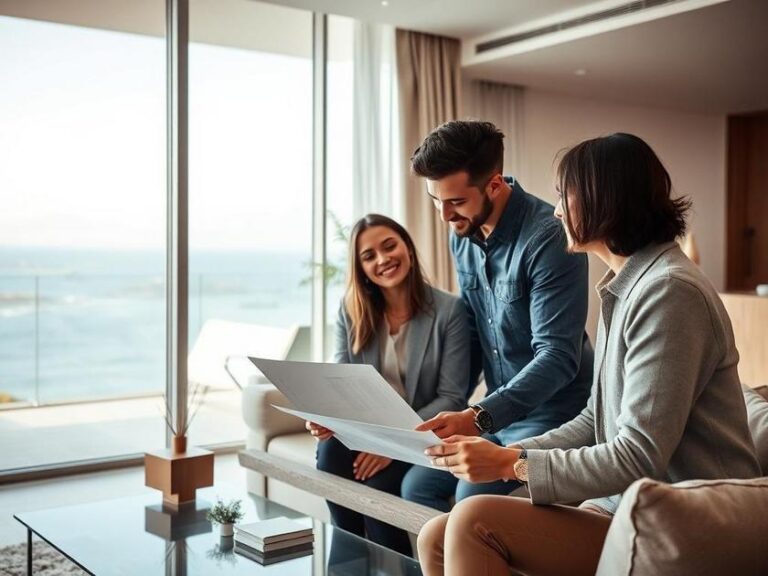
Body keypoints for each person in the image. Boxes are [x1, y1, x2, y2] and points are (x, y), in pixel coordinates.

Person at [417, 133, 762, 576]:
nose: (556, 209)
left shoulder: (670, 292)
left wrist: (511, 462)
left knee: (471, 520)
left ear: (605, 199)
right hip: (627, 504)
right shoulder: (627, 286)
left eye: (564, 194)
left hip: (688, 514)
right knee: (436, 535)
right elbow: (594, 418)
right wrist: (508, 452)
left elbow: (638, 454)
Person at [402, 120, 594, 511]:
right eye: (436, 200)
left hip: (554, 415)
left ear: (494, 184)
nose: (444, 216)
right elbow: (473, 332)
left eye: (455, 201)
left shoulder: (549, 239)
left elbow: (557, 358)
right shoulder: (463, 233)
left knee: (470, 496)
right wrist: (433, 411)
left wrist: (478, 417)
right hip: (496, 414)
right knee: (416, 485)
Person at [306, 213, 471, 556]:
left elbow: (451, 397)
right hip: (369, 432)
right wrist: (325, 416)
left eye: (389, 246)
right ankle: (350, 559)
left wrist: (391, 440)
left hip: (419, 435)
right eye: (369, 256)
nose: (382, 259)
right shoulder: (351, 312)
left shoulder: (450, 311)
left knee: (377, 491)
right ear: (361, 268)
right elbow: (340, 379)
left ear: (407, 247)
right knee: (330, 451)